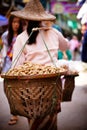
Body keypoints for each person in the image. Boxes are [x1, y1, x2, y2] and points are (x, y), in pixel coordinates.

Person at [10, 0, 70, 129]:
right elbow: (66, 46)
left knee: (34, 122)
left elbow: (16, 67)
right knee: (51, 121)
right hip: (53, 87)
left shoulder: (21, 38)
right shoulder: (54, 32)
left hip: (31, 89)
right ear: (42, 18)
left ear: (25, 19)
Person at [1, 15, 23, 125]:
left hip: (19, 68)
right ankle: (14, 113)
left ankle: (17, 112)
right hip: (7, 67)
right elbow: (3, 52)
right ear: (10, 23)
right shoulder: (5, 36)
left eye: (18, 22)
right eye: (14, 22)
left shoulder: (23, 36)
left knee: (18, 91)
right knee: (8, 91)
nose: (16, 24)